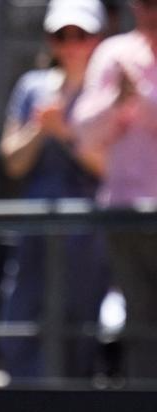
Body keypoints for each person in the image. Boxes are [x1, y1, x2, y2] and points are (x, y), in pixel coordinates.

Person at [0, 0, 108, 379]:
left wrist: (65, 133)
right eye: (62, 35)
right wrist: (40, 129)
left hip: (89, 229)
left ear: (98, 38)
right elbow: (12, 161)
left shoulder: (108, 88)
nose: (71, 44)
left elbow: (109, 168)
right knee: (23, 311)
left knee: (81, 317)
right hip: (35, 224)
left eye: (81, 35)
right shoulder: (32, 86)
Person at [72, 0, 157, 381]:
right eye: (143, 3)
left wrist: (140, 97)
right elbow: (84, 132)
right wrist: (117, 102)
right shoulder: (113, 53)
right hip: (125, 217)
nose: (149, 11)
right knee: (140, 325)